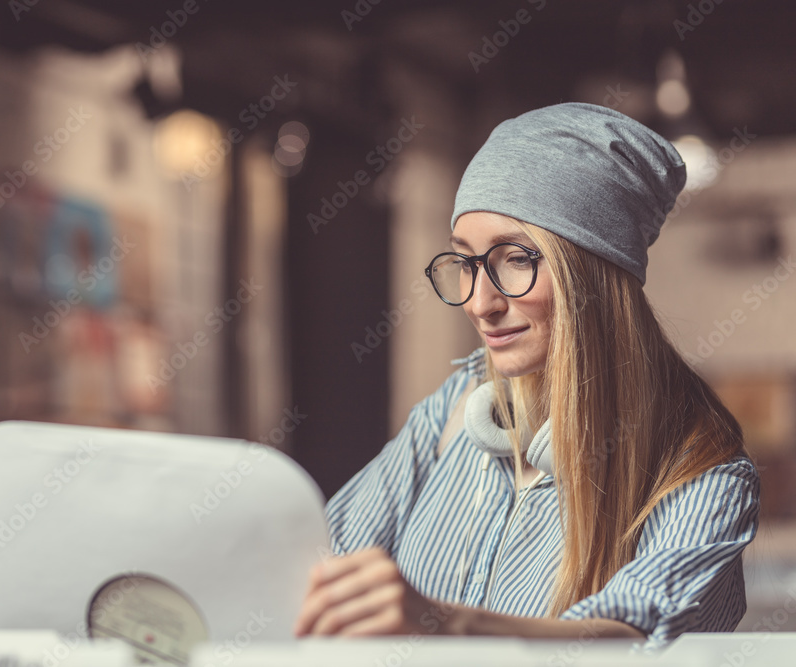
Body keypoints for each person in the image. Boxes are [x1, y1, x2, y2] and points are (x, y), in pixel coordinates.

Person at [293, 103, 760, 648]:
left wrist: (446, 625)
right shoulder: (451, 411)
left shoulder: (704, 475)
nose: (480, 302)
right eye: (465, 262)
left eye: (515, 259)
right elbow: (322, 561)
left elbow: (634, 634)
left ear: (591, 275)